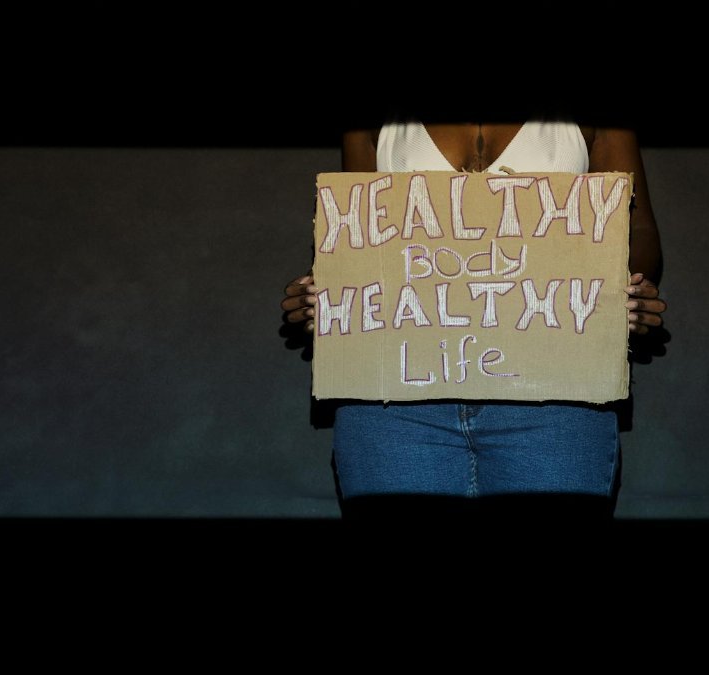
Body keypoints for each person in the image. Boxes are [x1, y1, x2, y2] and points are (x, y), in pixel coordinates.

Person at [281, 111, 667, 521]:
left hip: (556, 396)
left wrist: (625, 285)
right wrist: (327, 292)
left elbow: (636, 229)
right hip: (393, 401)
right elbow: (360, 228)